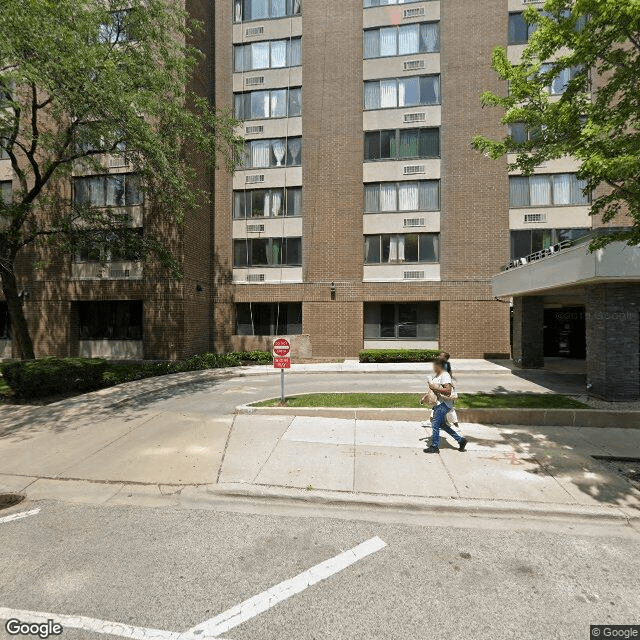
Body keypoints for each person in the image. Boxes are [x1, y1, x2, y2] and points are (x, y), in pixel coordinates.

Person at [420, 355, 467, 454]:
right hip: (439, 404)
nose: (433, 367)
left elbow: (448, 390)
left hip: (443, 404)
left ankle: (435, 447)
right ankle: (461, 440)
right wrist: (425, 397)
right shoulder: (438, 376)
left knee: (435, 425)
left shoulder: (445, 375)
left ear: (439, 365)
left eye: (435, 365)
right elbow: (434, 390)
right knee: (442, 424)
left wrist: (434, 387)